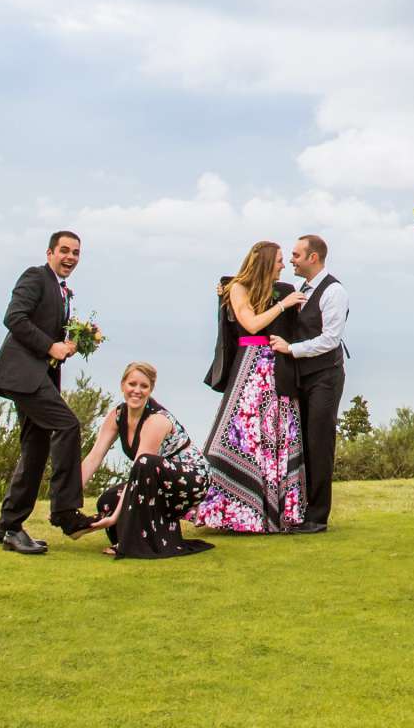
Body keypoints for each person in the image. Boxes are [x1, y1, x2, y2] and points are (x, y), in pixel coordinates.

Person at [190, 240, 308, 533]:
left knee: (277, 434)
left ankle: (277, 512)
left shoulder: (285, 290)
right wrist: (283, 306)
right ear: (267, 261)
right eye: (280, 259)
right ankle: (234, 509)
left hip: (277, 368)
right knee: (245, 433)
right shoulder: (239, 290)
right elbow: (251, 324)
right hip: (250, 367)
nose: (284, 264)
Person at [0, 230, 95, 554]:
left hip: (37, 377)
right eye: (64, 250)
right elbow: (14, 318)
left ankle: (7, 526)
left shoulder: (62, 290)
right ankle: (64, 511)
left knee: (34, 450)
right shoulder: (35, 276)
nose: (71, 257)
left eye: (76, 252)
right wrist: (50, 345)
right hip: (24, 375)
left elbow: (46, 329)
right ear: (50, 252)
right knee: (67, 424)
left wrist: (72, 342)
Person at [80, 362, 214, 559]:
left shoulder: (156, 420)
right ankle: (134, 538)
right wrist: (66, 504)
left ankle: (130, 543)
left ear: (151, 389)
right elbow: (93, 458)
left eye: (144, 386)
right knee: (108, 500)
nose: (137, 390)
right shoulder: (117, 415)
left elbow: (138, 471)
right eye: (132, 384)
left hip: (192, 479)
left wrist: (113, 519)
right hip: (157, 478)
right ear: (122, 385)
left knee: (144, 462)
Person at [269, 233, 347, 533]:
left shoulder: (334, 292)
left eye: (296, 256)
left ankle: (317, 517)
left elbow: (330, 339)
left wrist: (291, 349)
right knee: (302, 443)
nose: (291, 261)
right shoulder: (301, 288)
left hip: (325, 377)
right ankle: (302, 509)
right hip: (304, 377)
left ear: (313, 257)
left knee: (319, 443)